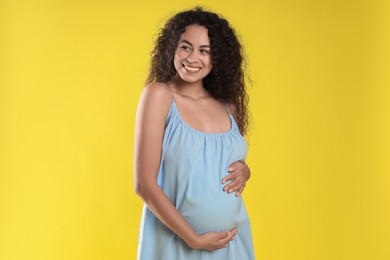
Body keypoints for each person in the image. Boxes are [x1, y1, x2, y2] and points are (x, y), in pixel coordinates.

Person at [134, 7, 254, 260]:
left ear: (218, 58)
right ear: (172, 48)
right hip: (177, 243)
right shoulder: (159, 96)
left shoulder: (228, 105)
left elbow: (220, 163)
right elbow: (144, 183)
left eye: (204, 51)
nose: (192, 58)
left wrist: (246, 171)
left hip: (231, 243)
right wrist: (194, 239)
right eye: (185, 47)